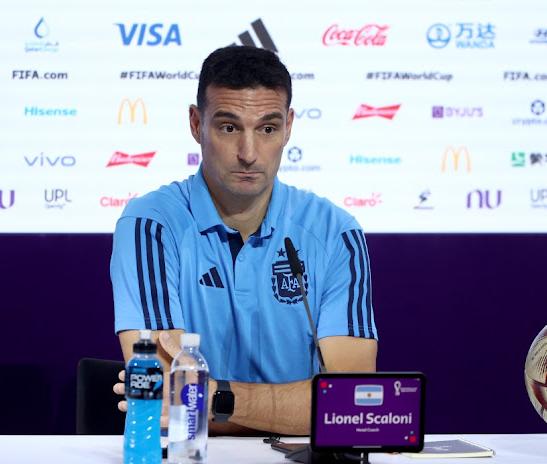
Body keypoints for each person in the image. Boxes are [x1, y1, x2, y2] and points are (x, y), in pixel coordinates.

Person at [110, 45, 377, 435]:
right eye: (229, 127)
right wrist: (299, 411)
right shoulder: (151, 226)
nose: (249, 154)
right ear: (196, 124)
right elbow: (166, 404)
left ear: (288, 126)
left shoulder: (336, 234)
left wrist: (214, 398)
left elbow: (350, 406)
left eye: (267, 128)